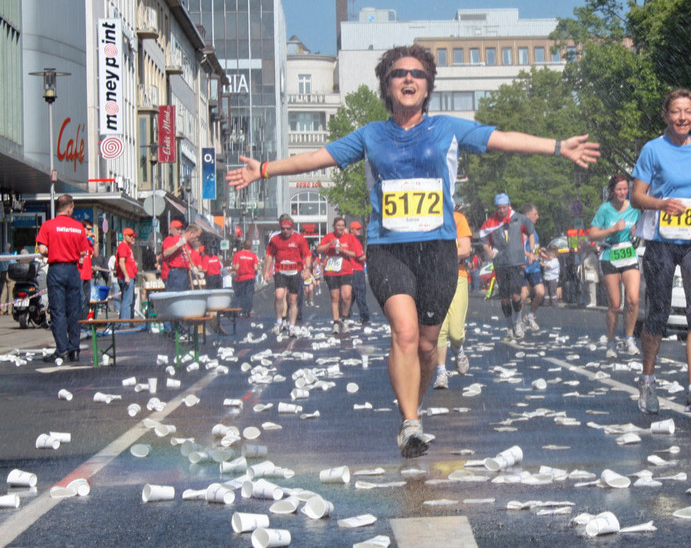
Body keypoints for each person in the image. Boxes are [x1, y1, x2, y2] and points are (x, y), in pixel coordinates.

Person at [226, 44, 598, 457]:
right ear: (387, 85)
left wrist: (557, 146)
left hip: (437, 252)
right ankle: (409, 422)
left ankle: (413, 410)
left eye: (417, 74)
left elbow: (503, 139)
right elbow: (316, 158)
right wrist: (264, 169)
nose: (408, 79)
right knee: (403, 332)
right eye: (399, 73)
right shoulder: (371, 135)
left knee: (425, 345)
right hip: (389, 250)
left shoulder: (447, 129)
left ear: (427, 86)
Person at [631, 88, 691, 414]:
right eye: (676, 112)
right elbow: (635, 197)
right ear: (666, 116)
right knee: (659, 312)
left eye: (688, 112)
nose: (682, 118)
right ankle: (648, 379)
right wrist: (661, 204)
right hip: (661, 241)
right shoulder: (653, 150)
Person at [589, 173, 642, 358]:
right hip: (609, 254)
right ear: (612, 191)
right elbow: (592, 235)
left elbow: (645, 224)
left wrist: (638, 229)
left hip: (628, 253)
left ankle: (629, 337)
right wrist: (612, 229)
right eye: (619, 189)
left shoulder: (634, 207)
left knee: (633, 299)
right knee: (614, 304)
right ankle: (611, 342)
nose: (622, 192)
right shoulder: (605, 209)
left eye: (625, 189)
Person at [35, 194, 90, 363]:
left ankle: (62, 350)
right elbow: (83, 251)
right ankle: (74, 349)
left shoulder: (48, 225)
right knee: (74, 311)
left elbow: (42, 250)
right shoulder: (78, 227)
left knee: (58, 311)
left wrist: (55, 249)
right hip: (73, 270)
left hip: (57, 269)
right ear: (69, 208)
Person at [481, 194, 537, 340]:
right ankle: (509, 326)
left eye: (504, 207)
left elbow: (531, 232)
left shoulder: (518, 218)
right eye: (499, 208)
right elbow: (483, 238)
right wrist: (488, 251)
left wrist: (532, 252)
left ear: (509, 205)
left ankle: (518, 322)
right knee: (505, 298)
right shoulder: (491, 222)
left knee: (516, 295)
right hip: (500, 262)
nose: (501, 210)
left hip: (516, 261)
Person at [434, 209, 473, 389]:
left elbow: (465, 250)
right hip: (434, 277)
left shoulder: (458, 219)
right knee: (439, 329)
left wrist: (440, 254)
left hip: (457, 276)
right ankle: (441, 372)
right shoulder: (427, 220)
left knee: (455, 332)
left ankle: (458, 349)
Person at [264, 214, 312, 335]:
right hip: (280, 270)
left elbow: (307, 255)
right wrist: (266, 271)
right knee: (279, 296)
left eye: (288, 228)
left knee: (293, 299)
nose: (285, 231)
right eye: (283, 228)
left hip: (295, 272)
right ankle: (279, 321)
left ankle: (291, 325)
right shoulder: (275, 239)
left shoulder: (299, 239)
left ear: (292, 228)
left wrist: (308, 269)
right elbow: (269, 255)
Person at [317, 217, 362, 334]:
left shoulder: (350, 238)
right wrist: (328, 244)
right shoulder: (328, 237)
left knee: (346, 296)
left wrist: (343, 250)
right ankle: (336, 322)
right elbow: (319, 250)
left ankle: (345, 318)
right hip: (332, 270)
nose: (340, 227)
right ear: (334, 226)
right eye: (338, 225)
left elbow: (355, 254)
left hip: (346, 269)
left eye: (342, 225)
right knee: (334, 297)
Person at [519, 204, 545, 332]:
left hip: (534, 266)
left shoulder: (533, 229)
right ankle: (518, 321)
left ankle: (530, 316)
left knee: (540, 292)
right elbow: (519, 248)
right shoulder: (522, 229)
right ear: (527, 215)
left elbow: (534, 247)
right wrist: (529, 254)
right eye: (535, 214)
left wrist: (540, 252)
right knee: (523, 296)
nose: (537, 217)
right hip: (523, 266)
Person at [162, 221, 201, 292]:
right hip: (176, 273)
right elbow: (165, 253)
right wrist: (178, 244)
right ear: (191, 233)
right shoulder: (174, 239)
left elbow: (189, 260)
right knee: (177, 297)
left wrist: (194, 268)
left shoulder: (190, 245)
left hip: (185, 273)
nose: (196, 239)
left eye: (181, 229)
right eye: (196, 236)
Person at [348, 220, 372, 325]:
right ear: (352, 230)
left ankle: (346, 314)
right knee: (360, 292)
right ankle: (364, 315)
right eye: (357, 229)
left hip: (353, 269)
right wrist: (371, 256)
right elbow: (360, 257)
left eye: (359, 229)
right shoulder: (354, 240)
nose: (359, 231)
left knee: (352, 294)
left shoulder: (350, 239)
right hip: (357, 269)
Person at [230, 240, 260, 317]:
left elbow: (236, 267)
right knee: (249, 295)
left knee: (240, 295)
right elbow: (256, 268)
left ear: (243, 246)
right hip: (250, 277)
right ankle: (247, 311)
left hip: (240, 277)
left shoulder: (238, 254)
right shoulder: (253, 255)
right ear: (250, 247)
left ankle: (240, 310)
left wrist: (231, 268)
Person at [115, 228, 139, 321]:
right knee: (127, 301)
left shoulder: (127, 247)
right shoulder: (123, 246)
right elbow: (121, 262)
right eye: (130, 236)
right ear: (124, 236)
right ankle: (125, 323)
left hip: (129, 276)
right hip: (127, 277)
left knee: (129, 300)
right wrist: (126, 276)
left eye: (133, 236)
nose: (132, 238)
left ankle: (127, 321)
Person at [80, 220, 95, 314]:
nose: (90, 231)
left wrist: (95, 241)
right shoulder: (78, 239)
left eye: (91, 229)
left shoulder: (89, 241)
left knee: (87, 299)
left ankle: (84, 323)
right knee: (81, 299)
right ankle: (79, 323)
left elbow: (95, 253)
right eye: (88, 229)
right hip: (79, 273)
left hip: (88, 274)